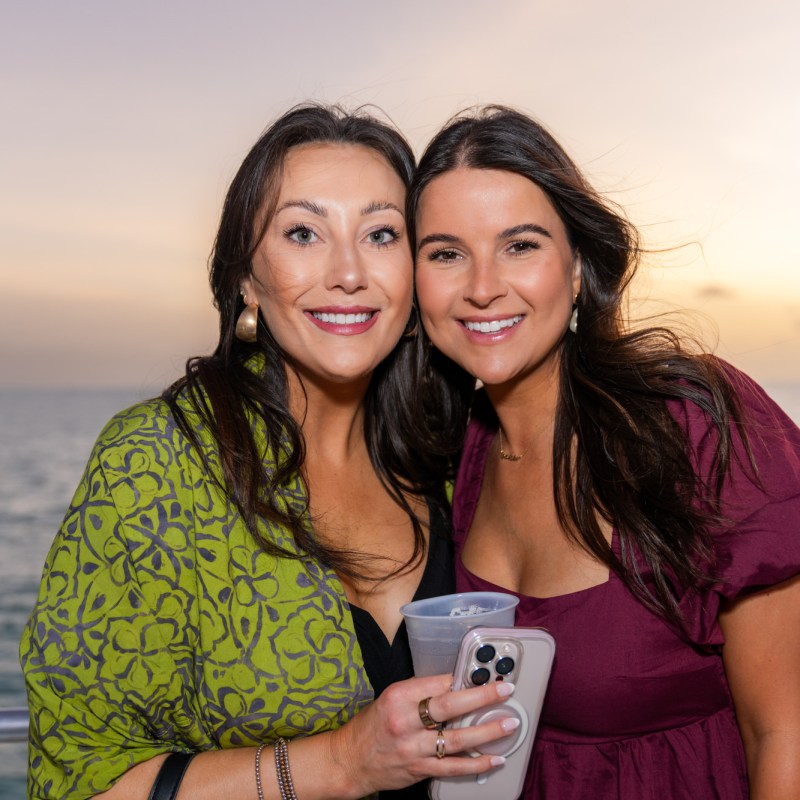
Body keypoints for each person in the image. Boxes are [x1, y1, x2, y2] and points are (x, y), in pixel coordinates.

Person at [20, 105, 517, 800]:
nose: (349, 272)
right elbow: (79, 782)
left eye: (380, 233)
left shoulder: (447, 454)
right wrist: (344, 762)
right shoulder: (157, 463)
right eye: (303, 233)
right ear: (247, 280)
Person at [410, 105, 800, 799]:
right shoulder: (458, 454)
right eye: (446, 253)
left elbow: (786, 735)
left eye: (520, 245)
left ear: (580, 262)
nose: (480, 287)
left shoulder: (692, 422)